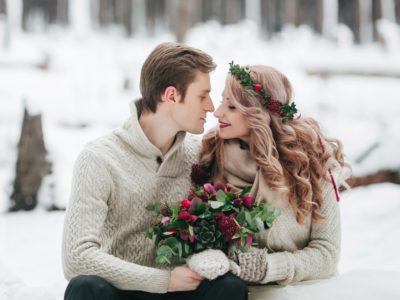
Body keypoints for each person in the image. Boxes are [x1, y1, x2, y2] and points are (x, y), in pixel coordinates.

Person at [62, 44, 248, 300]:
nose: (210, 106)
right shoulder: (99, 159)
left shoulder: (198, 155)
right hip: (121, 291)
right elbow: (76, 257)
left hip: (182, 291)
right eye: (202, 96)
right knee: (85, 287)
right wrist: (164, 280)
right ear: (171, 95)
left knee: (229, 287)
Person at [187, 62, 351, 293]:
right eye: (222, 101)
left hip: (304, 291)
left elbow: (327, 253)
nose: (217, 112)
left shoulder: (309, 162)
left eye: (231, 106)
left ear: (259, 115)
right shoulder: (210, 155)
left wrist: (271, 267)